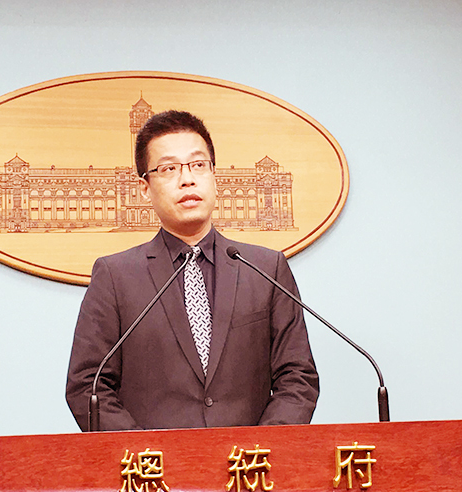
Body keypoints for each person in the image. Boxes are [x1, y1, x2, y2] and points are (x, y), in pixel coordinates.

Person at [66, 110, 319, 431]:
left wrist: (261, 449)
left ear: (214, 176)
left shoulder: (266, 269)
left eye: (198, 165)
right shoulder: (115, 277)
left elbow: (297, 378)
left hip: (249, 459)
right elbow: (88, 385)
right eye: (169, 168)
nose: (187, 179)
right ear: (144, 188)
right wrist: (148, 452)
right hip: (151, 462)